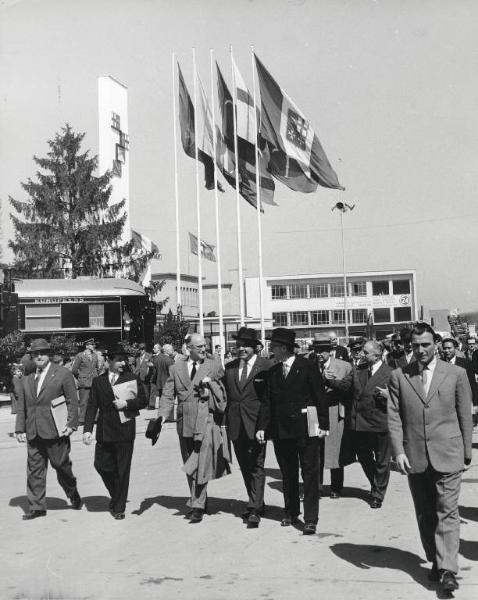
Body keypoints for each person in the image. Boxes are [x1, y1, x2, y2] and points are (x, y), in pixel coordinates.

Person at [388, 322, 473, 592]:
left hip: (448, 453)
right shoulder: (399, 376)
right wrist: (398, 451)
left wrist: (467, 451)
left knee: (447, 512)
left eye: (426, 344)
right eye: (416, 346)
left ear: (435, 343)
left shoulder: (457, 373)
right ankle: (435, 559)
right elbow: (394, 417)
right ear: (409, 347)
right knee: (425, 514)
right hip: (414, 456)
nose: (421, 350)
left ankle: (448, 568)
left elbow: (464, 414)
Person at [256, 328, 328, 535]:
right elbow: (267, 402)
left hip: (305, 429)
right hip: (281, 431)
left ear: (284, 348)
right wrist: (262, 427)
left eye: (274, 346)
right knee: (288, 473)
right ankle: (291, 511)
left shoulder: (307, 367)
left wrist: (324, 425)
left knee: (309, 473)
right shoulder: (273, 371)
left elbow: (319, 397)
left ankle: (311, 518)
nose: (270, 349)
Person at [158, 333, 228, 523]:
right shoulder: (176, 368)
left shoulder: (213, 366)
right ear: (188, 348)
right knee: (190, 463)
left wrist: (210, 390)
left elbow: (223, 393)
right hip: (184, 423)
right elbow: (167, 394)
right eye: (200, 347)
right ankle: (199, 499)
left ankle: (197, 504)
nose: (204, 349)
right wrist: (162, 417)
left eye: (205, 346)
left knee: (200, 462)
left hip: (205, 421)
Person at [14, 338, 82, 520]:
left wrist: (71, 424)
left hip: (56, 430)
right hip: (33, 431)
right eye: (35, 354)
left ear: (49, 355)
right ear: (31, 357)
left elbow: (72, 401)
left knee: (61, 465)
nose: (39, 356)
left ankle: (72, 491)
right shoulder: (26, 378)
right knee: (35, 469)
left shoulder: (62, 373)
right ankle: (37, 507)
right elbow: (22, 406)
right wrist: (19, 429)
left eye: (43, 353)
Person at [83, 345, 147, 520]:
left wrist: (127, 404)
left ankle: (119, 507)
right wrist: (87, 430)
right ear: (109, 361)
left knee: (123, 470)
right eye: (118, 360)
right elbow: (91, 406)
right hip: (105, 430)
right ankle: (117, 494)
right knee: (101, 465)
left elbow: (143, 400)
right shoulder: (99, 381)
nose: (122, 363)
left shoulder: (131, 378)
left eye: (124, 360)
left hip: (125, 430)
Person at [223, 327, 271, 528]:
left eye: (246, 346)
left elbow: (268, 400)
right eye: (238, 345)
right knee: (245, 466)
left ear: (255, 347)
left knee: (257, 465)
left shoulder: (266, 366)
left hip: (256, 424)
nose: (241, 349)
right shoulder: (230, 367)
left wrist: (264, 426)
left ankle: (254, 508)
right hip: (236, 424)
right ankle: (257, 501)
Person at [342, 340, 393, 508]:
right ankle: (375, 484)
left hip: (381, 422)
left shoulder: (392, 373)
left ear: (377, 355)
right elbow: (345, 388)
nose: (362, 354)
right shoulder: (358, 371)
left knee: (382, 460)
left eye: (365, 352)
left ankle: (378, 494)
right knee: (364, 457)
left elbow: (402, 399)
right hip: (361, 423)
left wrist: (389, 397)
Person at [309, 333, 352, 499]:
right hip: (315, 411)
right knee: (315, 450)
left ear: (330, 351)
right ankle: (317, 486)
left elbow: (348, 390)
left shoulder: (343, 366)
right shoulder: (309, 365)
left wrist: (331, 382)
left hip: (334, 410)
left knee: (335, 449)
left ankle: (336, 487)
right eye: (317, 350)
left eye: (323, 350)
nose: (319, 354)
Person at [72, 338, 99, 425]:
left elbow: (97, 367)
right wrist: (81, 376)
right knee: (83, 402)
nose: (93, 346)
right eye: (91, 344)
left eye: (94, 344)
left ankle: (95, 418)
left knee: (94, 401)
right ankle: (82, 419)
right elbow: (74, 369)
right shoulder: (80, 355)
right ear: (87, 346)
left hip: (94, 381)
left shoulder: (95, 355)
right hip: (84, 381)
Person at [150, 344, 174, 412]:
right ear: (167, 351)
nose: (173, 351)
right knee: (168, 400)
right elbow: (172, 373)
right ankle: (169, 417)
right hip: (168, 383)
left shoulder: (157, 359)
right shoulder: (170, 360)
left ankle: (162, 416)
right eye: (171, 350)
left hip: (160, 383)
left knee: (162, 400)